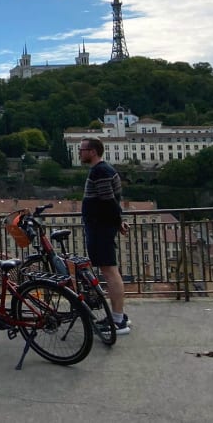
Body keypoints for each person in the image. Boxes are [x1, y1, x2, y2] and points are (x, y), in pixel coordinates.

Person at [79, 137, 131, 335]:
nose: (80, 153)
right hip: (103, 226)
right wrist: (119, 220)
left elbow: (108, 201)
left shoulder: (99, 171)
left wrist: (117, 221)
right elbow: (114, 199)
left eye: (82, 149)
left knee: (110, 272)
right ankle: (118, 316)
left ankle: (118, 321)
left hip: (100, 227)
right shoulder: (106, 169)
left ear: (92, 152)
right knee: (111, 271)